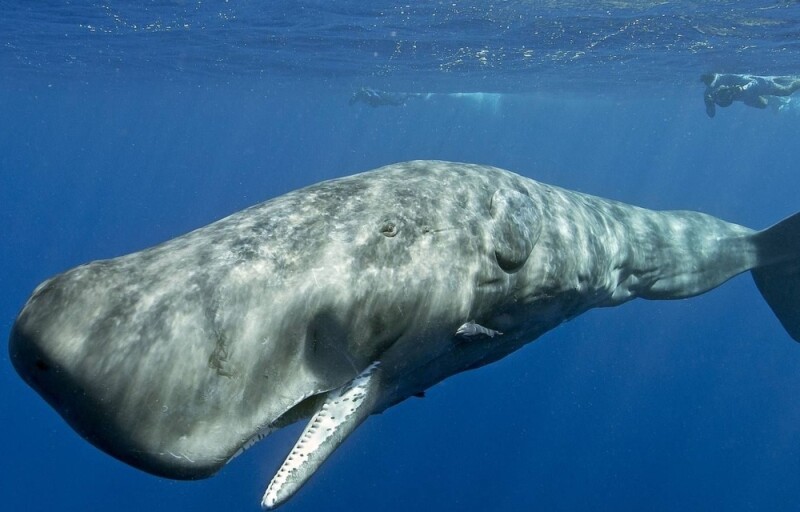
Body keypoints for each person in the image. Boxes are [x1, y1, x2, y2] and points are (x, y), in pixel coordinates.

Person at [701, 73, 800, 117]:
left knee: (786, 92)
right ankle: (772, 100)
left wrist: (743, 88)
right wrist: (709, 105)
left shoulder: (727, 79)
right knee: (763, 105)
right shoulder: (708, 94)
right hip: (746, 96)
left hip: (760, 85)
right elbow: (711, 115)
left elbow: (755, 82)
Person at [348, 87, 421, 107]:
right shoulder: (360, 94)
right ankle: (410, 95)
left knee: (396, 103)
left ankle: (411, 95)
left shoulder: (366, 92)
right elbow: (352, 101)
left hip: (379, 98)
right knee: (396, 103)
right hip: (379, 100)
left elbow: (374, 96)